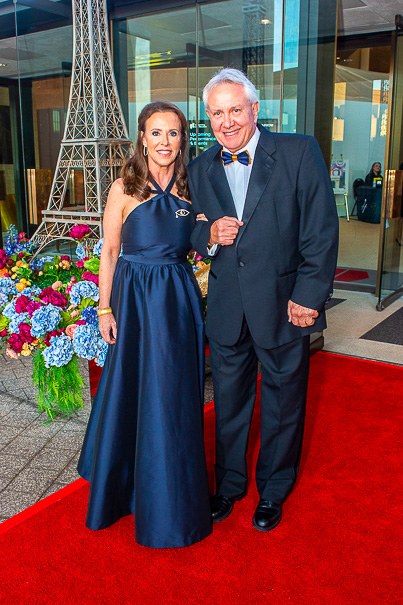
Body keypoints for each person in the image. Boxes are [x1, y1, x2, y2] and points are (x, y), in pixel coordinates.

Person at [188, 68, 338, 532]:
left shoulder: (297, 151)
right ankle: (229, 486)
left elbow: (320, 228)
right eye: (217, 113)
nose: (227, 121)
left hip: (284, 304)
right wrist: (206, 234)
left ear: (255, 109)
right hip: (230, 309)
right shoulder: (199, 166)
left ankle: (273, 490)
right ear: (208, 117)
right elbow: (190, 226)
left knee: (282, 403)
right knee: (228, 405)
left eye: (236, 109)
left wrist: (309, 295)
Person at [77, 101, 212, 548]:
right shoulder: (123, 187)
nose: (165, 143)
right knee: (131, 389)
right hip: (133, 298)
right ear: (142, 139)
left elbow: (204, 242)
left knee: (172, 393)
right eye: (156, 134)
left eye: (173, 134)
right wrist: (103, 309)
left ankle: (172, 495)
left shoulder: (194, 187)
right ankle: (125, 489)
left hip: (175, 299)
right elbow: (109, 252)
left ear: (182, 139)